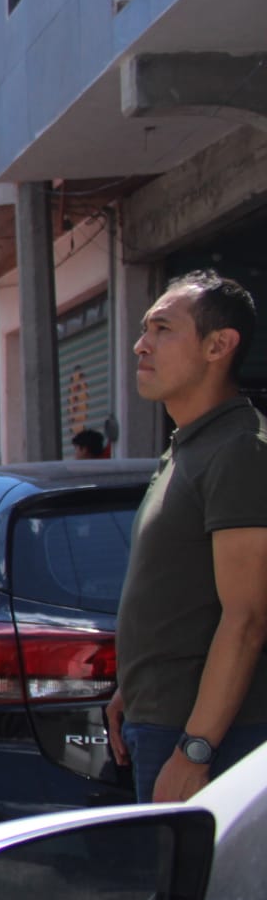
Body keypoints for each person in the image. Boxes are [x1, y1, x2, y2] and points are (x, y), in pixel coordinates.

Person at [107, 271, 267, 803]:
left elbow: (246, 618)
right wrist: (132, 687)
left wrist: (195, 749)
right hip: (158, 724)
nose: (140, 345)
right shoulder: (188, 446)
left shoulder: (239, 449)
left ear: (218, 345)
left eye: (162, 329)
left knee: (197, 889)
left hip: (208, 740)